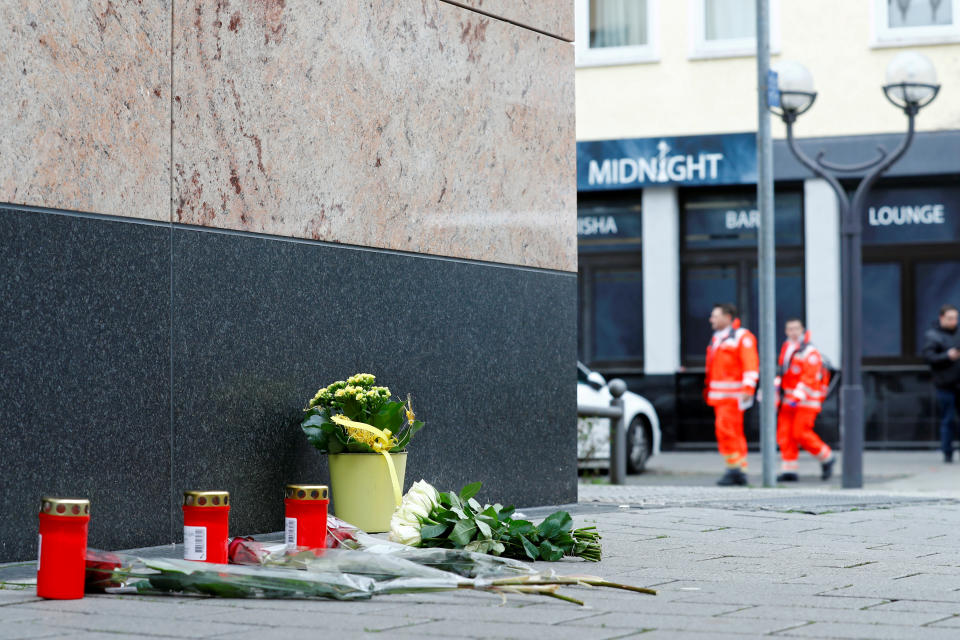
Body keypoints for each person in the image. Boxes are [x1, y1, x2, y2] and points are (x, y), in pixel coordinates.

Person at [774, 318, 835, 482]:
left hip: (806, 401)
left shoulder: (809, 351)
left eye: (796, 329)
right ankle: (789, 470)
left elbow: (809, 378)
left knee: (800, 433)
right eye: (789, 329)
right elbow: (783, 373)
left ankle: (827, 457)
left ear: (802, 330)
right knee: (785, 433)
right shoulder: (787, 348)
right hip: (789, 399)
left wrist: (797, 396)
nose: (793, 332)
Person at [704, 303, 758, 486]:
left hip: (733, 396)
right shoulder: (719, 338)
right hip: (721, 396)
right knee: (732, 432)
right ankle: (739, 469)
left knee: (727, 431)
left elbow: (750, 364)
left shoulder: (741, 337)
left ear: (727, 317)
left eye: (715, 316)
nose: (711, 320)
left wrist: (748, 389)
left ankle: (734, 469)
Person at [921, 304, 960, 463]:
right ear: (942, 318)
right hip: (945, 385)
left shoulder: (958, 333)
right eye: (950, 318)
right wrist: (947, 355)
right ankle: (947, 452)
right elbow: (929, 357)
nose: (954, 322)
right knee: (948, 419)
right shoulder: (933, 335)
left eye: (955, 318)